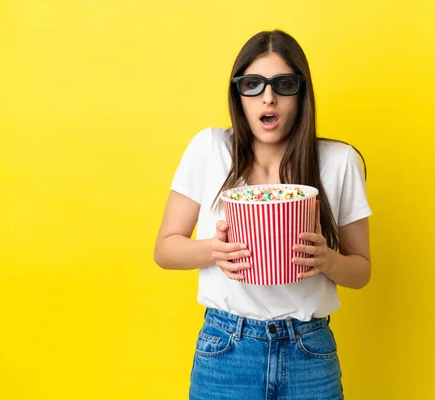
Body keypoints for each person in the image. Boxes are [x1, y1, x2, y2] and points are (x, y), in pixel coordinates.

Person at [153, 29, 372, 400]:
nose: (267, 97)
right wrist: (213, 251)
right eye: (253, 84)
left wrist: (327, 259)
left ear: (302, 94)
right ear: (238, 95)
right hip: (226, 349)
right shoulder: (209, 149)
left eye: (283, 84)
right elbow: (165, 249)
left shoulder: (338, 161)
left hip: (309, 350)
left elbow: (361, 270)